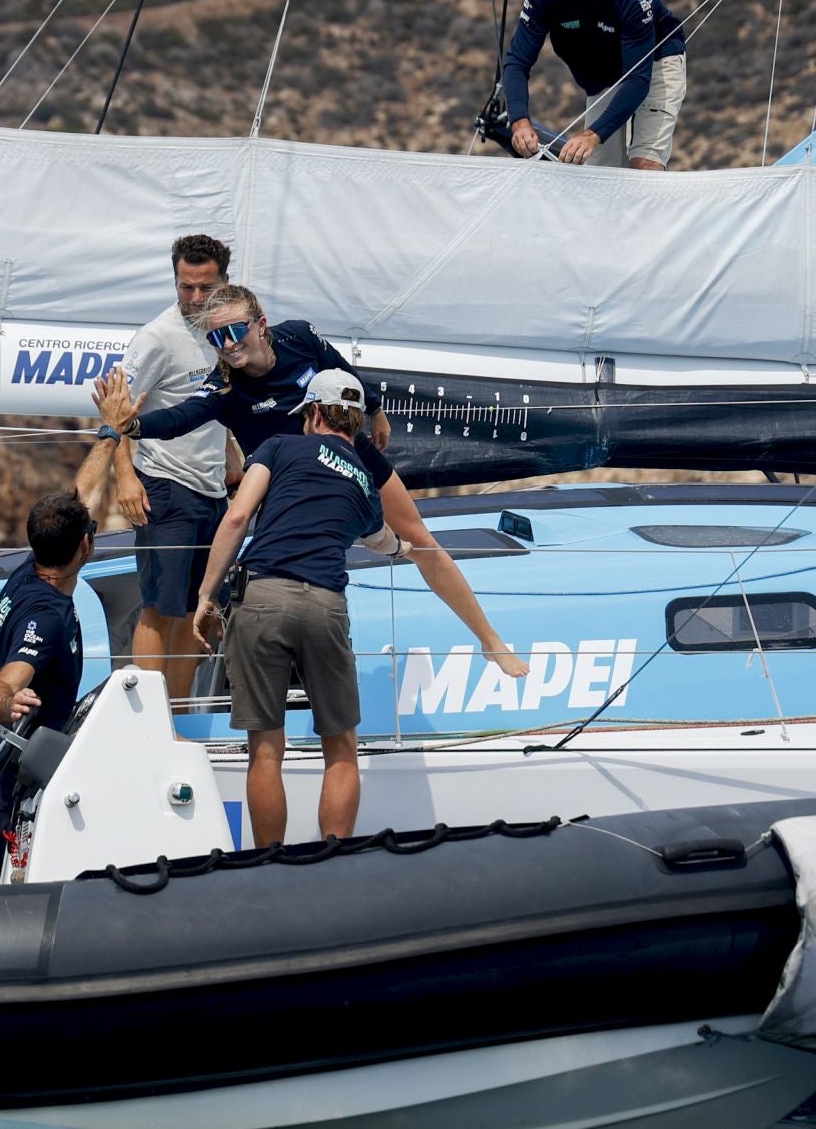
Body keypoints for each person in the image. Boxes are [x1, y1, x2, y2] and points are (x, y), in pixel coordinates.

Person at [93, 284, 528, 681]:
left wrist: (374, 409)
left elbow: (339, 367)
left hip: (351, 455)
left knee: (421, 540)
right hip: (292, 487)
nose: (227, 345)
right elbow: (180, 418)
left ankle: (489, 640)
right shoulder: (224, 386)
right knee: (299, 574)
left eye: (235, 331)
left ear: (260, 325)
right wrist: (131, 426)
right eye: (215, 338)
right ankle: (297, 684)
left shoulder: (299, 336)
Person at [190, 370, 412, 846]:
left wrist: (207, 593)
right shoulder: (364, 478)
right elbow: (380, 539)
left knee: (266, 750)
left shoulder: (279, 447)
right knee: (342, 751)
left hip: (263, 597)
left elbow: (237, 516)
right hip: (326, 604)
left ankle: (270, 863)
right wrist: (402, 550)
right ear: (356, 421)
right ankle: (331, 862)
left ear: (313, 413)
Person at [105, 234, 241, 700]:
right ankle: (151, 720)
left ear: (225, 282)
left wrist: (231, 453)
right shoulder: (156, 338)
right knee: (160, 608)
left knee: (197, 611)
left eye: (206, 288)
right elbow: (115, 410)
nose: (196, 298)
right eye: (186, 287)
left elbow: (216, 400)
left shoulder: (224, 332)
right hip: (164, 484)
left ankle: (177, 717)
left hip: (212, 490)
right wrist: (126, 476)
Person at [0, 487, 96, 886]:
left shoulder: (30, 566)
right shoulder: (46, 616)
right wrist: (7, 701)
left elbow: (80, 500)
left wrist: (107, 449)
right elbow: (4, 684)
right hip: (3, 793)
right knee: (6, 906)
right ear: (85, 545)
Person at [502, 0, 688, 170]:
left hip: (653, 62)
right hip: (604, 74)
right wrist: (520, 122)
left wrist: (592, 135)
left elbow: (638, 80)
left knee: (643, 167)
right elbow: (517, 62)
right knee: (599, 175)